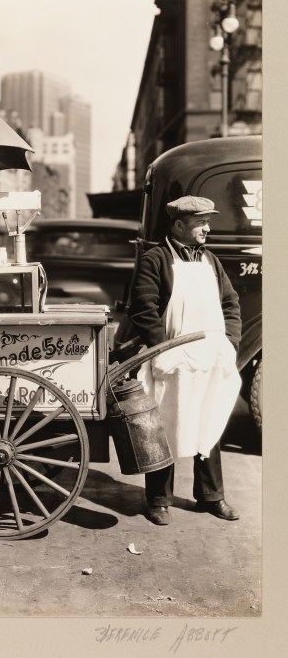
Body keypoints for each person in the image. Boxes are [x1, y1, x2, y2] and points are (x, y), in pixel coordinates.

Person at [127, 195, 242, 526]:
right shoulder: (156, 259)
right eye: (200, 223)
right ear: (179, 225)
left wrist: (230, 342)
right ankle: (158, 500)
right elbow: (143, 308)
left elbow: (230, 303)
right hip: (171, 360)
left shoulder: (211, 262)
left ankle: (211, 497)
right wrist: (164, 348)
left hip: (208, 358)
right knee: (164, 426)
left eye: (208, 222)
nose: (207, 229)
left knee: (210, 420)